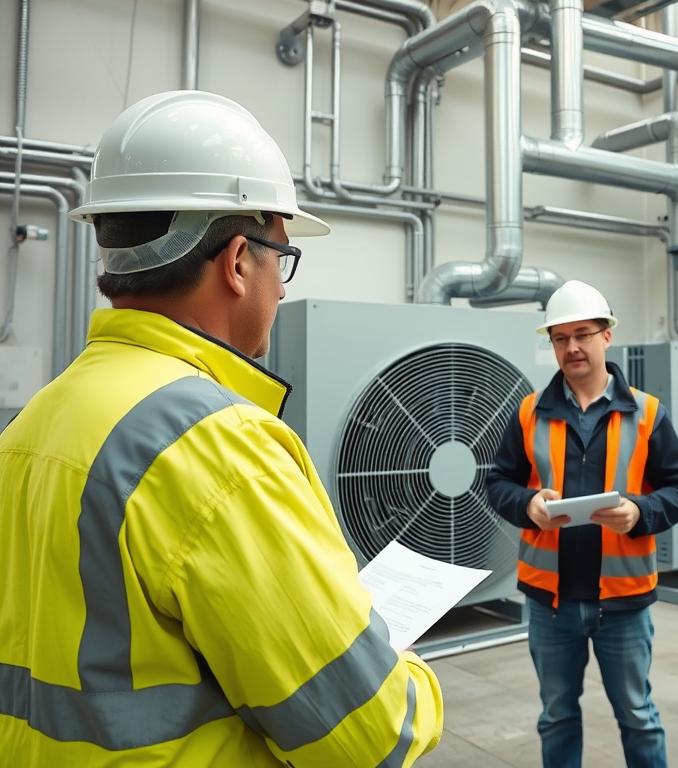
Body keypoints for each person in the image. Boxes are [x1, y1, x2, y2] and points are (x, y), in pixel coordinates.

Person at [0, 91, 443, 766]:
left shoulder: (34, 424)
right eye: (281, 260)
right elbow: (371, 738)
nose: (283, 288)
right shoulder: (218, 446)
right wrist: (403, 671)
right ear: (239, 261)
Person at [486, 279, 678, 768]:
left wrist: (639, 513)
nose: (572, 347)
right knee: (557, 715)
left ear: (607, 336)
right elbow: (497, 482)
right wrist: (528, 504)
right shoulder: (528, 413)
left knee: (638, 716)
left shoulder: (647, 413)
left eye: (583, 334)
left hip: (623, 604)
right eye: (560, 338)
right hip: (549, 603)